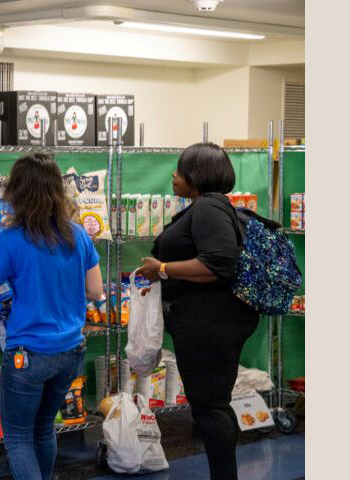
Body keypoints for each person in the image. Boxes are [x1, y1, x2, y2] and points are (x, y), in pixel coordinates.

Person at [0, 154, 104, 480]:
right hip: (71, 351)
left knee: (17, 437)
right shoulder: (78, 235)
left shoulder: (11, 240)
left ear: (18, 193)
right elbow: (96, 291)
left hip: (28, 355)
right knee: (43, 428)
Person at [136, 143, 258, 480]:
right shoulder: (208, 207)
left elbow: (217, 263)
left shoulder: (208, 209)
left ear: (198, 175)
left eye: (180, 169)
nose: (174, 175)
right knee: (213, 405)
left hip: (210, 323)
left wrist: (163, 267)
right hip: (210, 321)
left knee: (210, 408)